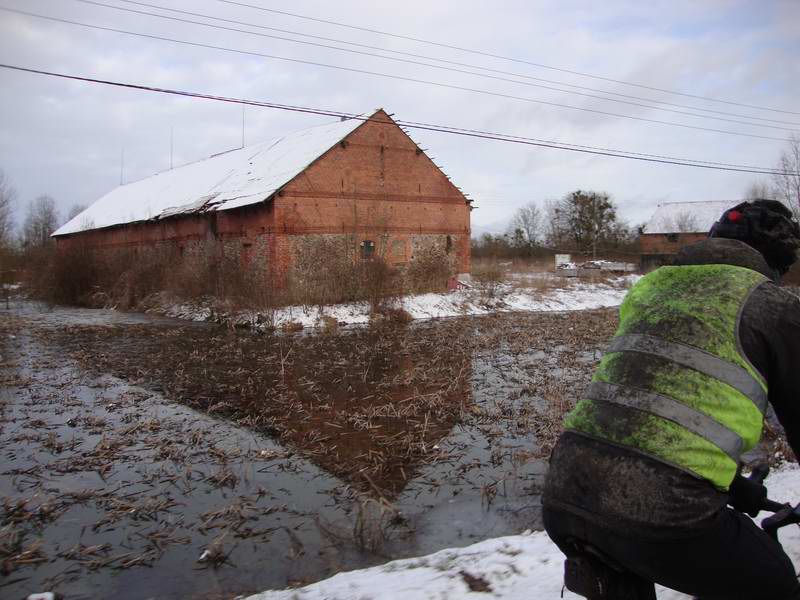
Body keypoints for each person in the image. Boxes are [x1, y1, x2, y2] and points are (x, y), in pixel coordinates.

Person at [542, 199, 800, 599]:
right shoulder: (771, 303)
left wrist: (733, 487)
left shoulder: (649, 287)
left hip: (562, 495)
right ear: (776, 261)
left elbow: (654, 419)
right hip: (662, 517)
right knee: (776, 585)